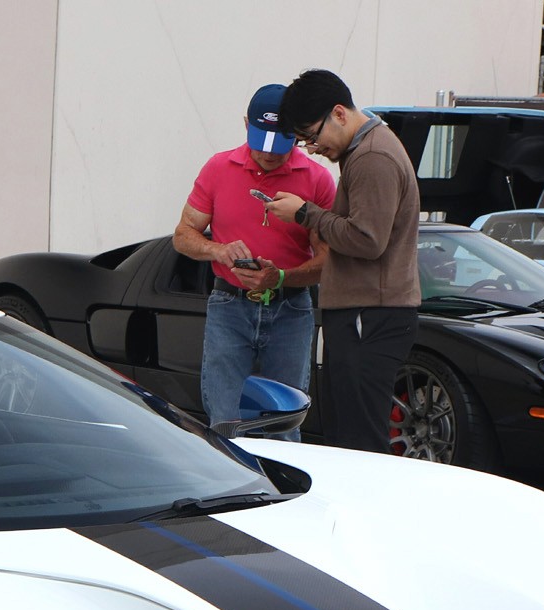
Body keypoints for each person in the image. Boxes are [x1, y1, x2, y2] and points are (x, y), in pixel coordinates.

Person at [262, 69, 420, 454]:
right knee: (346, 433)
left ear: (339, 113)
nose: (313, 148)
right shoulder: (366, 151)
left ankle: (365, 513)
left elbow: (368, 241)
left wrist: (306, 214)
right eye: (304, 142)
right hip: (365, 311)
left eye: (312, 137)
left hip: (370, 313)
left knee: (357, 439)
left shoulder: (371, 157)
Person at [174, 84, 334, 433]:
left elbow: (328, 262)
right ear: (246, 124)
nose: (268, 155)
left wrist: (279, 277)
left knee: (284, 422)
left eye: (279, 145)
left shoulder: (317, 179)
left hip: (290, 311)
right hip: (229, 306)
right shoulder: (218, 168)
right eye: (260, 143)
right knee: (225, 423)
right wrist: (219, 249)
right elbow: (183, 236)